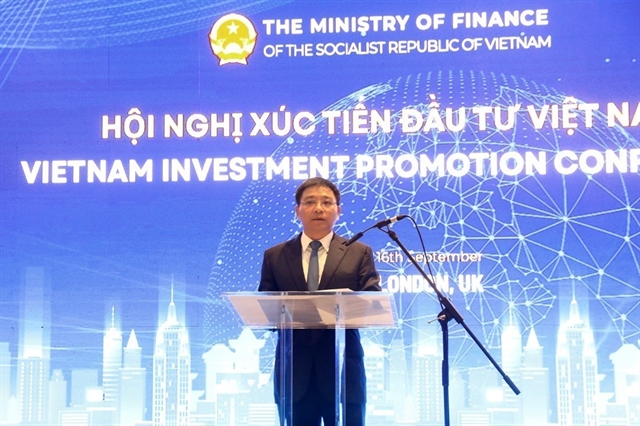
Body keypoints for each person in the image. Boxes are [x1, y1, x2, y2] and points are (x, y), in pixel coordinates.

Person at [258, 177, 381, 426]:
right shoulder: (275, 256)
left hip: (343, 371)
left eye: (327, 202)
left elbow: (371, 302)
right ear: (297, 211)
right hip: (294, 374)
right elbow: (267, 308)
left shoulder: (359, 253)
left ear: (338, 210)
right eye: (310, 202)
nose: (318, 209)